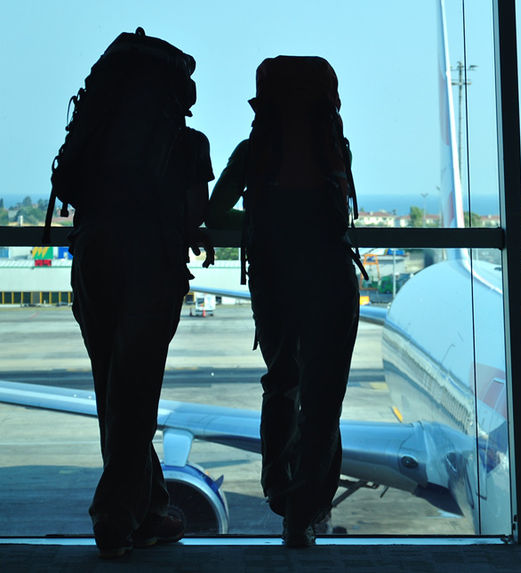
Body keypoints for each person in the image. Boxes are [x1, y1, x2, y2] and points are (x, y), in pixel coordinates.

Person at [57, 29, 215, 558]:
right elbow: (194, 214)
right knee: (138, 393)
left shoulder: (98, 132)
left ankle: (149, 511)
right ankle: (114, 518)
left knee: (113, 391)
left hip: (92, 259)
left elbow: (71, 186)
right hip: (151, 267)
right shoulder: (188, 144)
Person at [205, 56, 360, 548]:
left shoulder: (252, 151)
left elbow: (214, 214)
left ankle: (278, 489)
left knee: (281, 383)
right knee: (323, 398)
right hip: (329, 276)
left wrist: (258, 227)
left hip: (274, 278)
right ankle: (304, 511)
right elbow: (339, 217)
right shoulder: (333, 149)